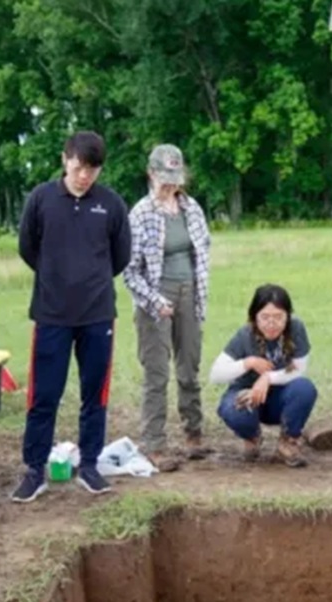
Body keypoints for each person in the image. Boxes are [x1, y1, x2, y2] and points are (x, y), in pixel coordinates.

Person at [14, 131, 132, 500]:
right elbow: (27, 247)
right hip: (52, 314)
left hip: (98, 314)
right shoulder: (41, 199)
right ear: (65, 159)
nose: (84, 176)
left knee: (94, 393)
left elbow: (121, 256)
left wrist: (91, 279)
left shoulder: (111, 204)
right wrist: (56, 276)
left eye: (92, 170)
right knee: (44, 394)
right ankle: (34, 469)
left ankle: (90, 464)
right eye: (79, 167)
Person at [123, 144, 212, 473]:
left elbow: (202, 254)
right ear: (151, 174)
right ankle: (154, 443)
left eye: (175, 178)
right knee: (157, 373)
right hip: (155, 298)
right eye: (164, 178)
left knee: (189, 367)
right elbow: (129, 271)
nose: (170, 185)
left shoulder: (192, 208)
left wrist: (198, 294)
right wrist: (155, 301)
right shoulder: (141, 214)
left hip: (189, 293)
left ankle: (194, 433)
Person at [210, 284, 317, 468]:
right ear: (254, 317)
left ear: (288, 316)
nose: (272, 323)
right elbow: (215, 375)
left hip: (280, 398)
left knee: (304, 388)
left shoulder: (296, 329)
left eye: (278, 317)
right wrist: (248, 362)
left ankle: (288, 441)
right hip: (249, 397)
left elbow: (299, 368)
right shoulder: (245, 335)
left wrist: (268, 378)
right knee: (233, 408)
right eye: (265, 317)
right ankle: (252, 436)